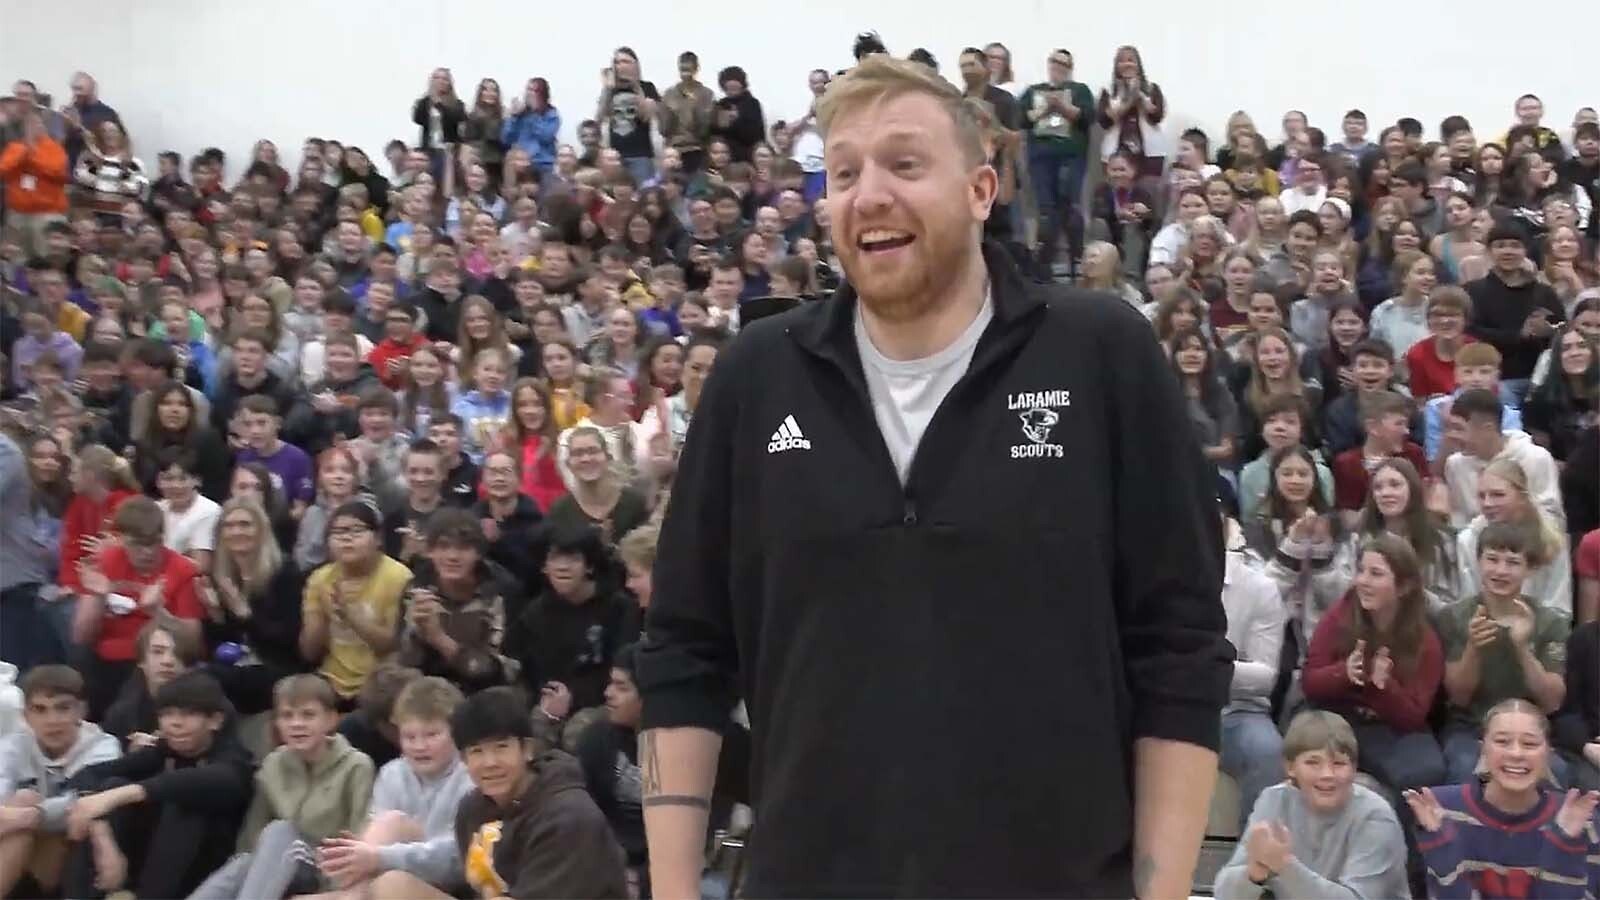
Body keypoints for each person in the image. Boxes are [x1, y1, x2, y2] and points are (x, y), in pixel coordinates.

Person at [635, 57, 1231, 898]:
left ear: (982, 190)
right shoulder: (754, 377)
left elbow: (1179, 648)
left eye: (904, 164)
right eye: (845, 173)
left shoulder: (1102, 353)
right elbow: (683, 656)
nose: (869, 195)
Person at [58, 671, 254, 900]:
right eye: (167, 714)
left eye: (188, 714)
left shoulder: (234, 759)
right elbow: (89, 773)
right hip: (145, 866)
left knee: (183, 805)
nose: (175, 723)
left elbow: (202, 781)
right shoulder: (165, 751)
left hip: (205, 876)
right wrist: (102, 833)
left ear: (215, 720)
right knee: (111, 786)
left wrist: (123, 795)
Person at [188, 674, 375, 900]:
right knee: (246, 860)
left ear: (331, 720)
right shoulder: (273, 764)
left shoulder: (356, 766)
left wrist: (337, 890)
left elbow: (361, 836)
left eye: (308, 715)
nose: (297, 724)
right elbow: (252, 834)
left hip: (325, 872)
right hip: (274, 867)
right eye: (287, 716)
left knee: (281, 832)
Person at [1406, 699, 1600, 898]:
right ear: (1483, 749)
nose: (1516, 753)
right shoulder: (1436, 809)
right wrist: (1442, 847)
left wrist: (1564, 846)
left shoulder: (1582, 818)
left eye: (1529, 744)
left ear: (1548, 753)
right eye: (1502, 742)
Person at [305, 677, 474, 898]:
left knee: (391, 879)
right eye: (409, 737)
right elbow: (374, 839)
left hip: (453, 888)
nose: (419, 746)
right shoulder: (392, 773)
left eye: (432, 735)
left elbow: (458, 859)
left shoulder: (471, 775)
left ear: (456, 733)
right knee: (389, 824)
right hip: (380, 882)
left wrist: (380, 857)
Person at [1212, 710, 1409, 900]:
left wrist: (1285, 866)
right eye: (1313, 763)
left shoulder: (1375, 817)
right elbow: (1224, 893)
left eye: (1338, 764)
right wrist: (1254, 874)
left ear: (1354, 769)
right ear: (1291, 768)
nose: (1327, 774)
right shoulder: (1274, 800)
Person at [1440, 523, 1571, 784]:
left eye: (1512, 563)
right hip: (1470, 727)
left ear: (1529, 569)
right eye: (1492, 559)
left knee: (1558, 773)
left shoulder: (1551, 622)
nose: (1501, 571)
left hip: (1528, 730)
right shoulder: (1453, 617)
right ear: (1478, 562)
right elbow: (1459, 696)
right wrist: (1473, 647)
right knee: (1465, 771)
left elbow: (1551, 702)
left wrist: (1522, 648)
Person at [70, 496, 204, 720]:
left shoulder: (183, 570)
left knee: (131, 693)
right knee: (79, 662)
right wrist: (98, 597)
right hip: (106, 659)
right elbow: (81, 635)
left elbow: (192, 645)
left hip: (153, 659)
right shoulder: (105, 562)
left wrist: (156, 612)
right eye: (137, 544)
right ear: (121, 539)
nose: (148, 552)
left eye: (154, 542)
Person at [0, 665, 121, 898]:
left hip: (72, 856)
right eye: (40, 710)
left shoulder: (103, 748)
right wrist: (24, 815)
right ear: (25, 716)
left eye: (63, 708)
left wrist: (35, 815)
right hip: (17, 850)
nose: (52, 720)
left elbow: (87, 803)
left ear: (81, 711)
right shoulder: (14, 744)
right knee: (22, 802)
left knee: (31, 810)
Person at [299, 500, 410, 708]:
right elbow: (309, 653)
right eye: (338, 532)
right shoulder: (320, 579)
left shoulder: (398, 577)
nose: (346, 538)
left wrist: (349, 613)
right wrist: (322, 614)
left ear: (378, 538)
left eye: (357, 530)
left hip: (382, 681)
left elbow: (390, 645)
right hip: (331, 679)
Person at [397, 508, 520, 691]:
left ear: (478, 553)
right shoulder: (416, 588)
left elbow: (501, 672)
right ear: (430, 551)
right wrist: (418, 634)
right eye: (443, 547)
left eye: (463, 548)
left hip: (484, 693)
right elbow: (406, 663)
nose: (453, 556)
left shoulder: (501, 592)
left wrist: (439, 639)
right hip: (429, 689)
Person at [1218, 518, 1285, 832]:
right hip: (1163, 705)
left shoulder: (1259, 588)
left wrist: (1211, 669)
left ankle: (1254, 858)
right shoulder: (1155, 579)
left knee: (1267, 751)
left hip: (1237, 709)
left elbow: (1265, 676)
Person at [1466, 223, 1566, 399]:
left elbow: (1563, 328)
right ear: (1489, 251)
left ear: (1525, 250)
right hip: (1495, 379)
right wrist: (1518, 336)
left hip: (1541, 378)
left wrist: (1549, 332)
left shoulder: (1544, 292)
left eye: (1515, 245)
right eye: (1500, 246)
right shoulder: (1472, 291)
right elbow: (1470, 332)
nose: (1508, 251)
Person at [578, 643, 649, 888]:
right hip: (606, 862)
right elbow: (584, 813)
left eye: (622, 687)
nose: (608, 693)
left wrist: (643, 878)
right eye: (610, 683)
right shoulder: (596, 738)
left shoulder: (685, 746)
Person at [1019, 50, 1094, 279]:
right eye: (1055, 62)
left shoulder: (1080, 90)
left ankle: (1077, 263)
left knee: (1071, 207)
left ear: (1070, 68)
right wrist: (1045, 108)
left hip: (1070, 157)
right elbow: (1021, 119)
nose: (1058, 66)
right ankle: (1043, 268)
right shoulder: (1033, 91)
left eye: (1064, 63)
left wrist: (1062, 106)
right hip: (1041, 159)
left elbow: (1088, 117)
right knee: (1046, 211)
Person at [1442, 388, 1561, 528]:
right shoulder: (1455, 465)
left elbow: (1551, 518)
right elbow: (1459, 519)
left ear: (1487, 429)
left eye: (1458, 429)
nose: (1450, 435)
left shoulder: (1535, 458)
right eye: (1448, 428)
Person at [545, 426, 650, 546]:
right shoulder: (560, 511)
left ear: (608, 457)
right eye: (577, 453)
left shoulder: (635, 502)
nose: (586, 458)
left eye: (593, 451)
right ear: (568, 464)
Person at [1330, 391, 1429, 512]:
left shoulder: (1413, 453)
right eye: (1399, 424)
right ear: (1372, 427)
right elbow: (1348, 514)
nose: (1406, 431)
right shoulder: (1347, 464)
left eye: (1406, 425)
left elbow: (1426, 499)